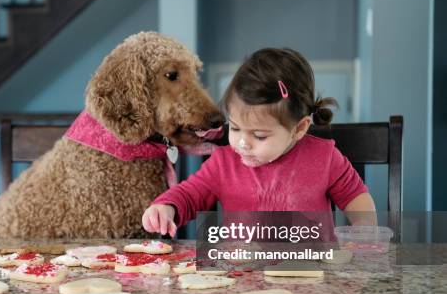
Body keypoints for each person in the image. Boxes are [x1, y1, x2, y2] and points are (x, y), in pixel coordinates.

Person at [142, 48, 376, 238]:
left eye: (260, 135)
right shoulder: (223, 163)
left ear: (299, 128)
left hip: (311, 275)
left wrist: (364, 232)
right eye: (234, 128)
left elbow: (356, 198)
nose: (243, 143)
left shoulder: (324, 158)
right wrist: (166, 207)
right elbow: (189, 195)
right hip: (243, 278)